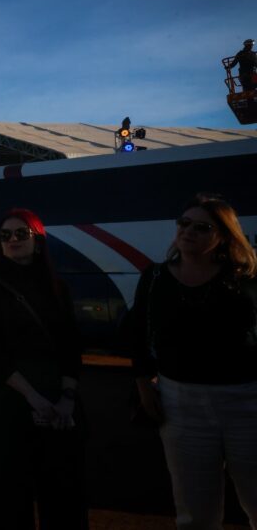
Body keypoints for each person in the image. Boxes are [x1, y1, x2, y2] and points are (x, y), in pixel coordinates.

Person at [122, 194, 257, 529]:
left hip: (246, 402)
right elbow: (136, 336)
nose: (188, 231)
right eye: (184, 223)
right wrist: (143, 386)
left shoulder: (245, 282)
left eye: (202, 227)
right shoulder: (154, 278)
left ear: (224, 236)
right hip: (180, 404)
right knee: (195, 512)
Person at [0, 208, 87, 530]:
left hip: (57, 398)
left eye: (21, 233)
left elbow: (71, 346)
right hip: (6, 399)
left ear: (38, 241)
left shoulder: (58, 288)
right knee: (7, 498)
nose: (12, 240)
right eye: (5, 235)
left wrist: (66, 398)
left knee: (64, 493)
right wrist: (34, 398)